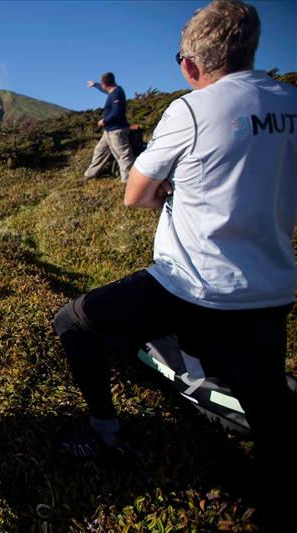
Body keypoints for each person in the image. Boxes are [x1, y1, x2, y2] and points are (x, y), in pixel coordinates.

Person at [54, 0, 295, 523]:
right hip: (272, 290)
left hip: (192, 285)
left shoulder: (191, 110)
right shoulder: (290, 103)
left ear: (190, 65)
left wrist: (170, 188)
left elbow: (135, 194)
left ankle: (104, 432)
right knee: (271, 416)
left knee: (72, 320)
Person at [83, 72, 135, 182]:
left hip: (116, 131)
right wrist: (95, 85)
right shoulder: (114, 91)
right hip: (108, 132)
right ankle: (89, 175)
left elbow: (117, 112)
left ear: (104, 84)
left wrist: (104, 121)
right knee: (100, 151)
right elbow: (105, 89)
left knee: (123, 156)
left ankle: (130, 181)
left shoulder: (117, 94)